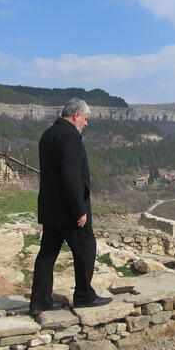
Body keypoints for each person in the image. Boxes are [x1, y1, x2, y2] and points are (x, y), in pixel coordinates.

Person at [30, 98, 112, 316]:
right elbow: (70, 176)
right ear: (77, 115)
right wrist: (79, 209)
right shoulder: (70, 137)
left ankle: (39, 301)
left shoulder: (48, 134)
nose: (86, 124)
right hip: (69, 208)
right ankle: (84, 295)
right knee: (86, 248)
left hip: (50, 206)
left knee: (47, 254)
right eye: (85, 119)